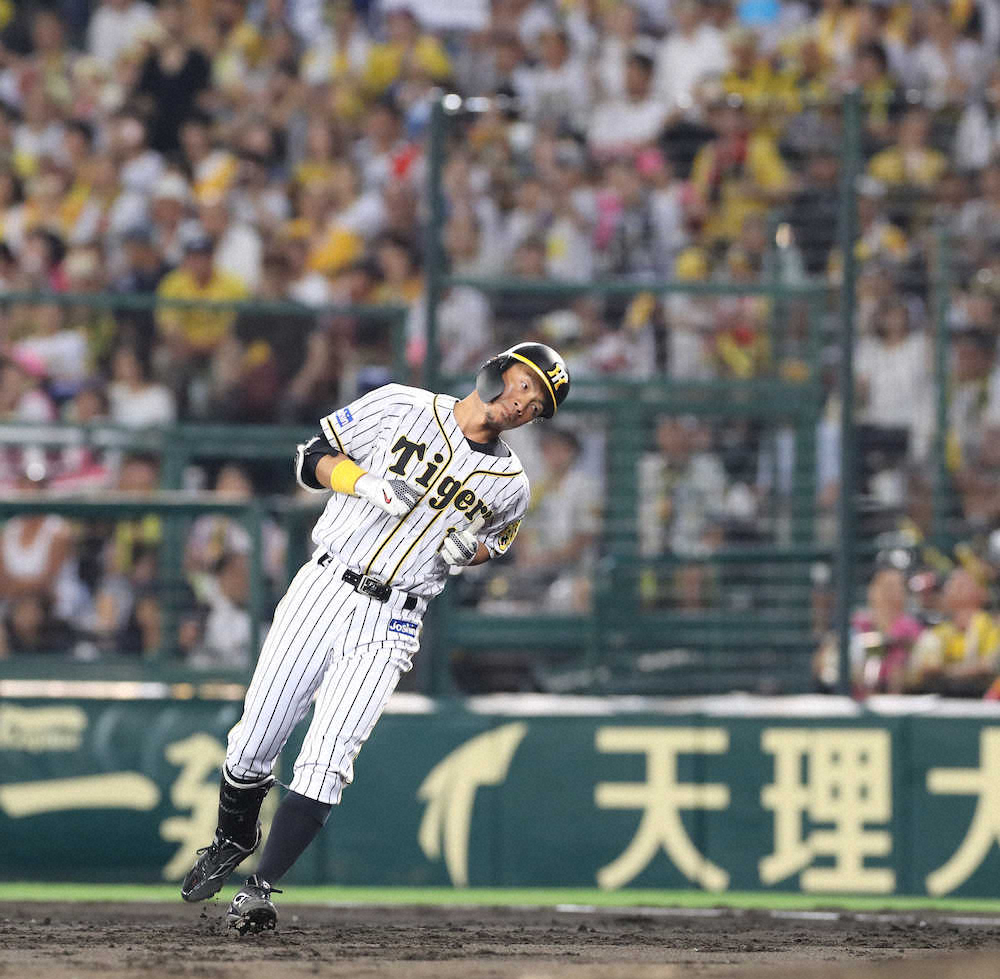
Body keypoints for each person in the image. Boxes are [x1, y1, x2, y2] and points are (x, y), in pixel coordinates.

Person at [179, 341, 571, 933]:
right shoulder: (400, 404)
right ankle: (233, 837)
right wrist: (362, 483)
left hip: (394, 619)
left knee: (328, 760)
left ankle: (258, 890)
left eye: (537, 404)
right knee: (253, 742)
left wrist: (472, 553)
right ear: (498, 370)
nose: (525, 403)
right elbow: (312, 456)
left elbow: (499, 541)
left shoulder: (511, 483)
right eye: (525, 384)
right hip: (324, 584)